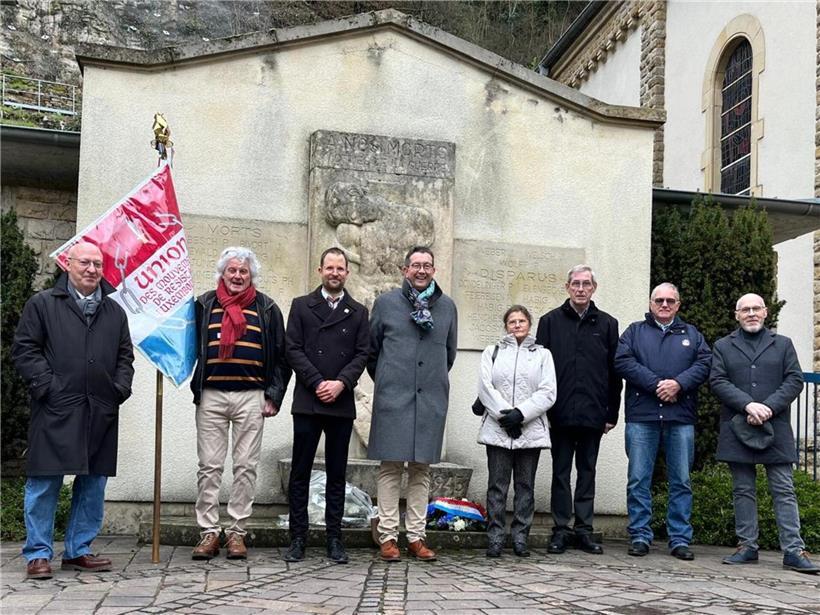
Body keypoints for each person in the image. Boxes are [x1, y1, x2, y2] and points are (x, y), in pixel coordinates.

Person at [12, 241, 135, 580]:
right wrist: (48, 387)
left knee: (93, 483)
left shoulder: (115, 312)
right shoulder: (42, 304)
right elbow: (25, 350)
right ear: (68, 263)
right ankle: (38, 553)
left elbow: (125, 357)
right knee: (44, 481)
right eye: (85, 263)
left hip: (100, 410)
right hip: (55, 408)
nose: (93, 269)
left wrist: (118, 390)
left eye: (98, 264)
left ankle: (78, 550)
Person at [189, 247, 290, 560]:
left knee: (245, 467)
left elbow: (281, 357)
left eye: (243, 271)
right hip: (211, 396)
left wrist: (273, 396)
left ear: (251, 276)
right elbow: (185, 343)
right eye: (232, 270)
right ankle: (208, 533)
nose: (237, 276)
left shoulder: (268, 308)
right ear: (222, 273)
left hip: (251, 398)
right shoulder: (204, 304)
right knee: (209, 468)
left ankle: (236, 533)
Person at [710, 293, 818, 574]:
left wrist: (767, 407)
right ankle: (747, 547)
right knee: (742, 490)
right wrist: (747, 404)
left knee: (784, 489)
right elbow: (718, 381)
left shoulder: (783, 344)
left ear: (766, 312)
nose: (751, 313)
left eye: (756, 308)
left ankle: (794, 550)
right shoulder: (723, 346)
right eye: (745, 309)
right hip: (738, 424)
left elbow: (794, 379)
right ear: (736, 315)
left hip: (775, 426)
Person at [367, 246, 458, 562]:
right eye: (416, 265)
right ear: (405, 269)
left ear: (434, 270)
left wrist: (428, 382)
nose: (421, 270)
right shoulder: (386, 303)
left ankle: (417, 536)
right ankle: (388, 536)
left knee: (421, 469)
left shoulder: (447, 307)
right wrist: (391, 379)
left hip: (430, 398)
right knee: (391, 467)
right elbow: (372, 351)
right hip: (394, 397)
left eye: (427, 265)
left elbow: (449, 353)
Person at [283, 247, 370, 564]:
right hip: (309, 399)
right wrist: (318, 381)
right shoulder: (301, 306)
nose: (335, 273)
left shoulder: (359, 312)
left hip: (340, 402)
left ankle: (335, 539)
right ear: (320, 270)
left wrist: (341, 383)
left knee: (336, 474)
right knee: (300, 474)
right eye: (329, 267)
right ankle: (298, 538)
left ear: (347, 273)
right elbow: (292, 348)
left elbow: (363, 353)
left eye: (340, 268)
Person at [615, 282, 711, 560]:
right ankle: (640, 535)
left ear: (678, 305)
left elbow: (705, 364)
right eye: (659, 300)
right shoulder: (634, 332)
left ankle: (679, 538)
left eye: (670, 300)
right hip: (642, 416)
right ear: (650, 303)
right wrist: (657, 384)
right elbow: (622, 361)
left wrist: (679, 384)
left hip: (680, 417)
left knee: (681, 480)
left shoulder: (692, 334)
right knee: (638, 480)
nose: (665, 305)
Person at [535, 265, 621, 555]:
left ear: (594, 288)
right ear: (567, 287)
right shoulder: (549, 322)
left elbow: (614, 373)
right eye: (576, 283)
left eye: (586, 284)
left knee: (587, 472)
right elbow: (539, 370)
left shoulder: (608, 324)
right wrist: (542, 410)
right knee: (560, 473)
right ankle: (561, 530)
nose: (581, 289)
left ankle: (584, 530)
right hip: (558, 413)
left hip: (593, 413)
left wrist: (612, 413)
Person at [477, 305, 556, 558]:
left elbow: (547, 391)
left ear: (529, 324)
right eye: (512, 321)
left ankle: (521, 537)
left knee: (525, 487)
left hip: (529, 430)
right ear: (506, 325)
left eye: (522, 320)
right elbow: (485, 387)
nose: (517, 325)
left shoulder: (543, 355)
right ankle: (496, 538)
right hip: (498, 429)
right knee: (497, 487)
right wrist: (505, 416)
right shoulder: (493, 352)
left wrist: (520, 415)